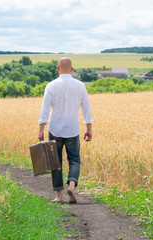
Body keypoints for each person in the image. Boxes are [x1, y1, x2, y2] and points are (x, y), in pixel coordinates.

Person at [38, 57, 93, 203]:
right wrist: (89, 128)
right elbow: (86, 108)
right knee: (74, 160)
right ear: (71, 69)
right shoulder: (80, 85)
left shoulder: (51, 85)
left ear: (57, 69)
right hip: (73, 129)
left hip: (55, 129)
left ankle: (60, 196)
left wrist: (41, 129)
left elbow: (45, 109)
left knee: (55, 162)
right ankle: (72, 185)